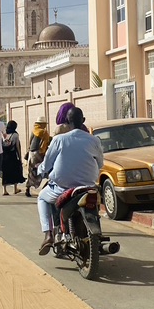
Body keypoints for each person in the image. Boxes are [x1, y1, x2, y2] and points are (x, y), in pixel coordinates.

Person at [36, 106, 104, 255]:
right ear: (83, 121)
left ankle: (48, 234)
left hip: (62, 188)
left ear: (67, 122)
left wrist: (39, 170)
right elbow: (100, 164)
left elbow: (47, 164)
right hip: (88, 187)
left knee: (41, 198)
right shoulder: (94, 140)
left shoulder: (60, 139)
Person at [25, 116, 51, 197]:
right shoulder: (43, 132)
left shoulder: (34, 130)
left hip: (31, 153)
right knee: (43, 170)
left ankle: (27, 188)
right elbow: (44, 144)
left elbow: (30, 142)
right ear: (42, 124)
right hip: (39, 154)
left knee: (31, 171)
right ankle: (46, 189)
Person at [1, 120, 25, 196]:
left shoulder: (3, 134)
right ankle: (15, 189)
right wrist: (20, 157)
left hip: (4, 155)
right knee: (15, 171)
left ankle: (4, 190)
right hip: (12, 155)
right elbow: (17, 146)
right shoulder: (15, 135)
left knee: (5, 172)